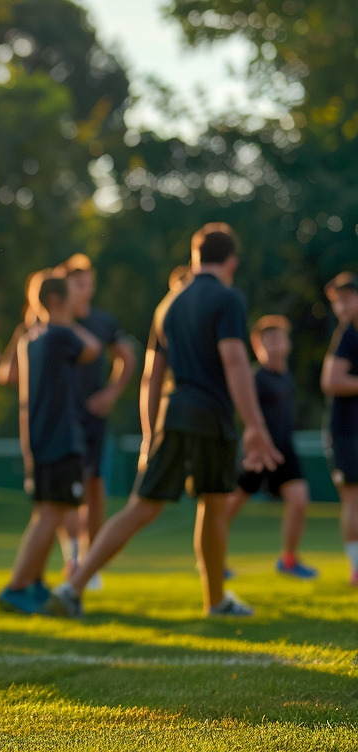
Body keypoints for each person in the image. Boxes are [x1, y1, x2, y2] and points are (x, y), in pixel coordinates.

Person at [45, 223, 281, 618]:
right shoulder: (228, 299)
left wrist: (149, 434)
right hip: (210, 417)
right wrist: (255, 425)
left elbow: (151, 378)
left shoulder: (167, 304)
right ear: (231, 262)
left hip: (172, 415)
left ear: (194, 257)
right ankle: (216, 601)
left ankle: (72, 586)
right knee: (214, 504)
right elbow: (237, 362)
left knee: (142, 506)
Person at [0, 276, 100, 614]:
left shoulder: (32, 339)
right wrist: (65, 318)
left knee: (47, 512)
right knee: (52, 512)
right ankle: (17, 587)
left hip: (40, 439)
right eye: (71, 296)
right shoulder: (60, 334)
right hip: (60, 438)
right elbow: (93, 349)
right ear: (57, 300)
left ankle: (34, 582)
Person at [61, 254, 136, 587]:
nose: (83, 289)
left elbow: (128, 358)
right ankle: (72, 559)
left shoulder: (103, 323)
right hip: (61, 417)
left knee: (93, 485)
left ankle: (91, 560)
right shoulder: (53, 324)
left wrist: (111, 393)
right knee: (65, 490)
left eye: (87, 283)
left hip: (92, 417)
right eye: (77, 283)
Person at [226, 316, 316, 579]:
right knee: (231, 506)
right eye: (269, 339)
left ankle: (288, 560)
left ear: (288, 343)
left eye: (280, 338)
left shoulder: (287, 377)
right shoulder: (254, 377)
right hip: (258, 451)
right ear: (256, 344)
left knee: (299, 500)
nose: (275, 344)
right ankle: (212, 560)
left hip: (284, 449)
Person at [321, 272, 358, 585]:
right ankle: (356, 569)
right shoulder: (348, 334)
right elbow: (330, 381)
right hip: (346, 431)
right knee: (353, 498)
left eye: (347, 298)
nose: (341, 306)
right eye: (336, 301)